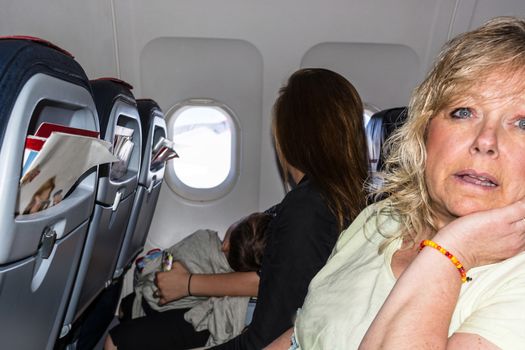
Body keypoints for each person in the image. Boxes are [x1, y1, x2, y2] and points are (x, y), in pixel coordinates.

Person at [267, 16, 525, 350]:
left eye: (523, 123)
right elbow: (304, 333)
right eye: (463, 112)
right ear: (424, 130)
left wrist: (450, 253)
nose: (485, 140)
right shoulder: (379, 219)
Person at [109, 68, 368, 350]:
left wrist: (190, 284)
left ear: (292, 137)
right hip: (263, 319)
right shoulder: (334, 197)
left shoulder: (309, 210)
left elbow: (266, 337)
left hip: (262, 329)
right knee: (126, 336)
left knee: (122, 341)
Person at [105, 212, 272, 349]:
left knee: (128, 308)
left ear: (226, 245)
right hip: (170, 307)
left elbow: (169, 257)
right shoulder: (231, 280)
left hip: (152, 299)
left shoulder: (204, 240)